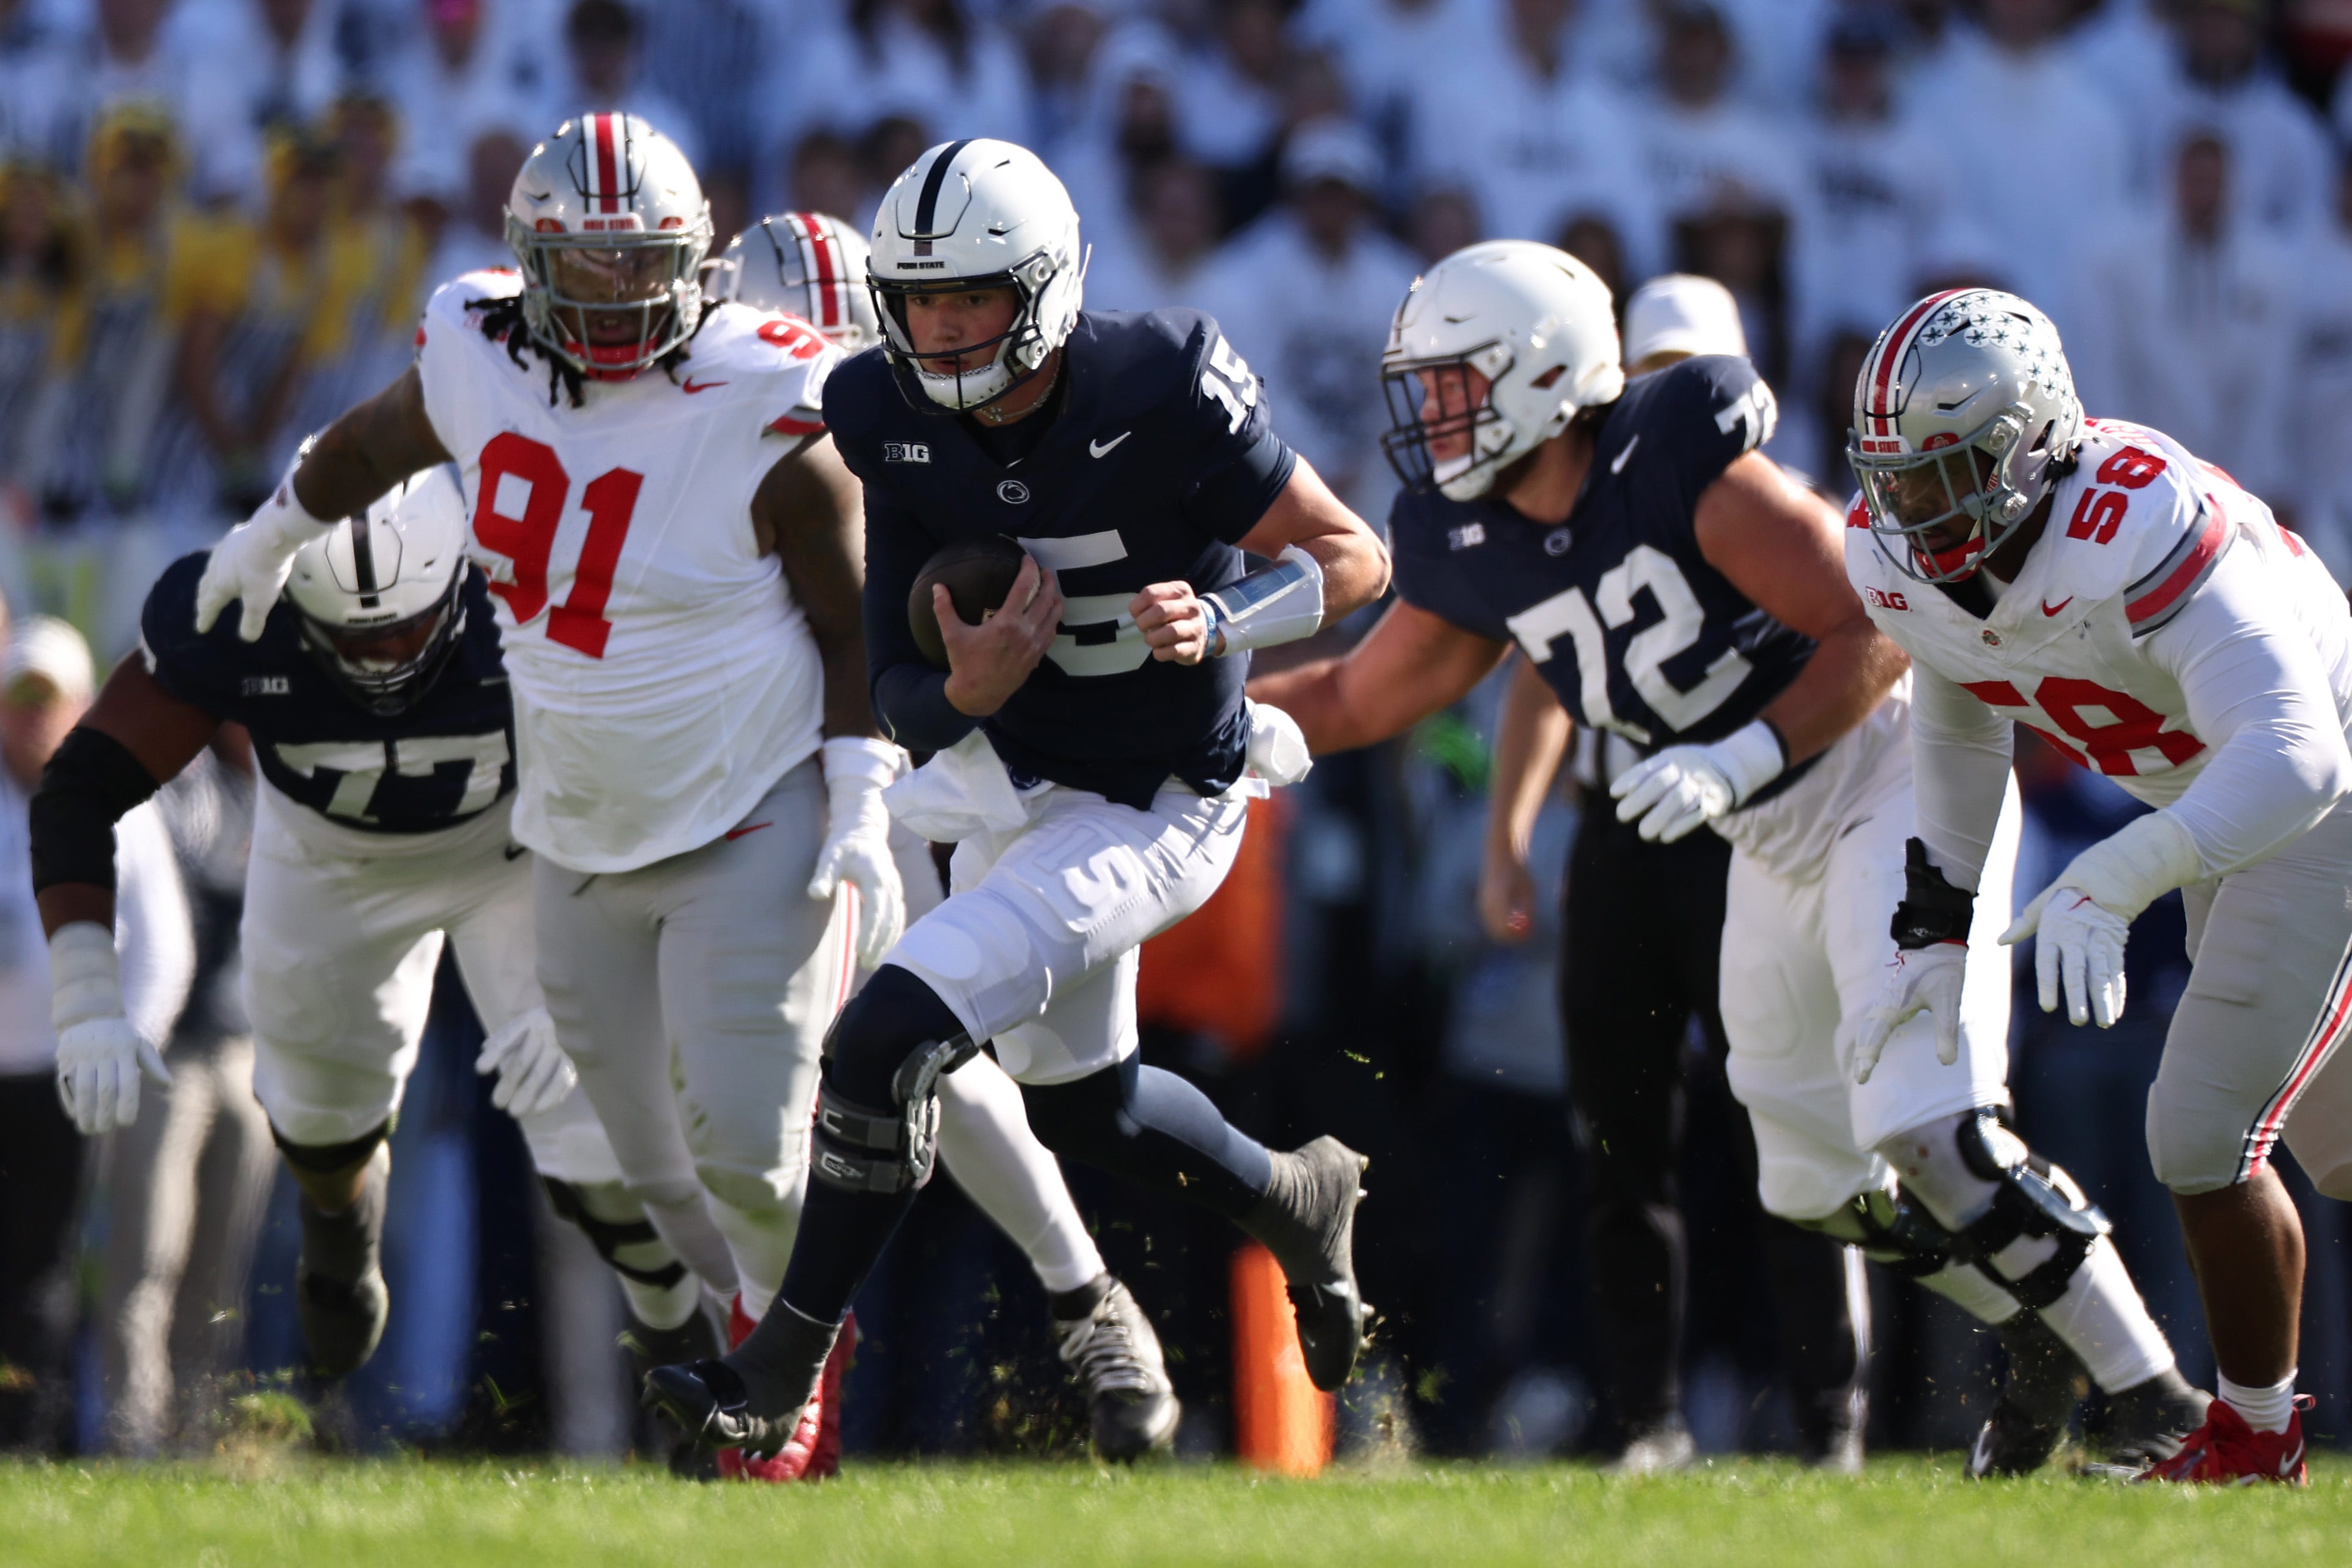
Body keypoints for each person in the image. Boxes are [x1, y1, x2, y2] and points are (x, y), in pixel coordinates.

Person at [181, 115, 1188, 1474]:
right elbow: (384, 448)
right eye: (584, 273)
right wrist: (267, 538)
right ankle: (842, 1334)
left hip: (824, 750)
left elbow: (903, 554)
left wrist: (875, 769)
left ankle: (1021, 1326)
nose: (614, 303)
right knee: (700, 1144)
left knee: (865, 1063)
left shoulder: (783, 374)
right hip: (618, 798)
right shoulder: (484, 349)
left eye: (639, 269)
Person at [1251, 241, 2207, 1476]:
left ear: (1541, 376)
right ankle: (2036, 1329)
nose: (1431, 416)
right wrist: (1193, 725)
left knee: (1924, 1125)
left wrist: (1744, 753)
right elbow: (1348, 697)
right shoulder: (1477, 539)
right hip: (1759, 833)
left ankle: (2153, 1396)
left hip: (1886, 786)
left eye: (1453, 385)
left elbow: (1878, 617)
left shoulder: (1681, 461)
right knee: (1810, 1181)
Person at [638, 137, 1391, 1461]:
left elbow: (1352, 557)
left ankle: (774, 1371)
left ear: (1042, 289)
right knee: (1077, 1107)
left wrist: (1224, 615)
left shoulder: (1155, 380)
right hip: (1012, 784)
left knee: (882, 1040)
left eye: (969, 297)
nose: (937, 326)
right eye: (917, 297)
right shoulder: (880, 409)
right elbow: (892, 689)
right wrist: (971, 691)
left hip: (1165, 795)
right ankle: (1292, 1195)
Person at [29, 474, 703, 1408]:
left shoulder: (533, 604)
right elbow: (76, 790)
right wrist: (87, 996)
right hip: (329, 863)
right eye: (352, 636)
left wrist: (598, 959)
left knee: (592, 1134)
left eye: (404, 630)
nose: (382, 659)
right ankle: (342, 1226)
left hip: (513, 862)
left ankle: (682, 1339)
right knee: (316, 1120)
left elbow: (643, 789)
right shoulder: (236, 604)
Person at [1843, 286, 2352, 1483]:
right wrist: (1930, 934)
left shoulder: (2136, 520)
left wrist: (2109, 876)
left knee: (2198, 1131)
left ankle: (2249, 1439)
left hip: (2321, 787)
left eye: (1939, 472)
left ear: (2026, 446)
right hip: (2225, 808)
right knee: (2334, 1150)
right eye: (1892, 476)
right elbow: (1959, 723)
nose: (1906, 507)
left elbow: (2297, 752)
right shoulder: (1900, 561)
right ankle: (2252, 1435)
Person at [706, 208, 1185, 1459]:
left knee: (920, 1049)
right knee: (692, 1110)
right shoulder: (689, 424)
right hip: (721, 783)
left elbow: (894, 638)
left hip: (888, 773)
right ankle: (746, 1357)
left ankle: (1071, 1302)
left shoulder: (909, 432)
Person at [1462, 266, 1862, 1471]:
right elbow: (1541, 673)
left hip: (1757, 826)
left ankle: (1825, 1419)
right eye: (1645, 373)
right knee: (1618, 1139)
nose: (1661, 397)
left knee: (1791, 1128)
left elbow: (1865, 629)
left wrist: (1754, 767)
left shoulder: (1758, 501)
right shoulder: (1569, 507)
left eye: (1683, 374)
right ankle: (1646, 1419)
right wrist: (1506, 838)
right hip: (1626, 830)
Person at [0, 614, 188, 1453]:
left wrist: (120, 1046)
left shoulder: (117, 809)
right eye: (18, 700)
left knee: (45, 1272)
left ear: (80, 707)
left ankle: (31, 1441)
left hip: (62, 1079)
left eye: (48, 701)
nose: (33, 717)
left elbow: (165, 946)